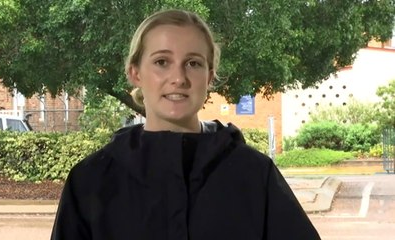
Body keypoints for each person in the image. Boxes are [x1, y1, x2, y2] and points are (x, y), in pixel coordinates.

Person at [51, 9, 321, 240]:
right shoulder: (91, 180)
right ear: (135, 73)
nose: (178, 77)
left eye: (193, 63)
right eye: (161, 62)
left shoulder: (254, 175)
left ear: (210, 76)